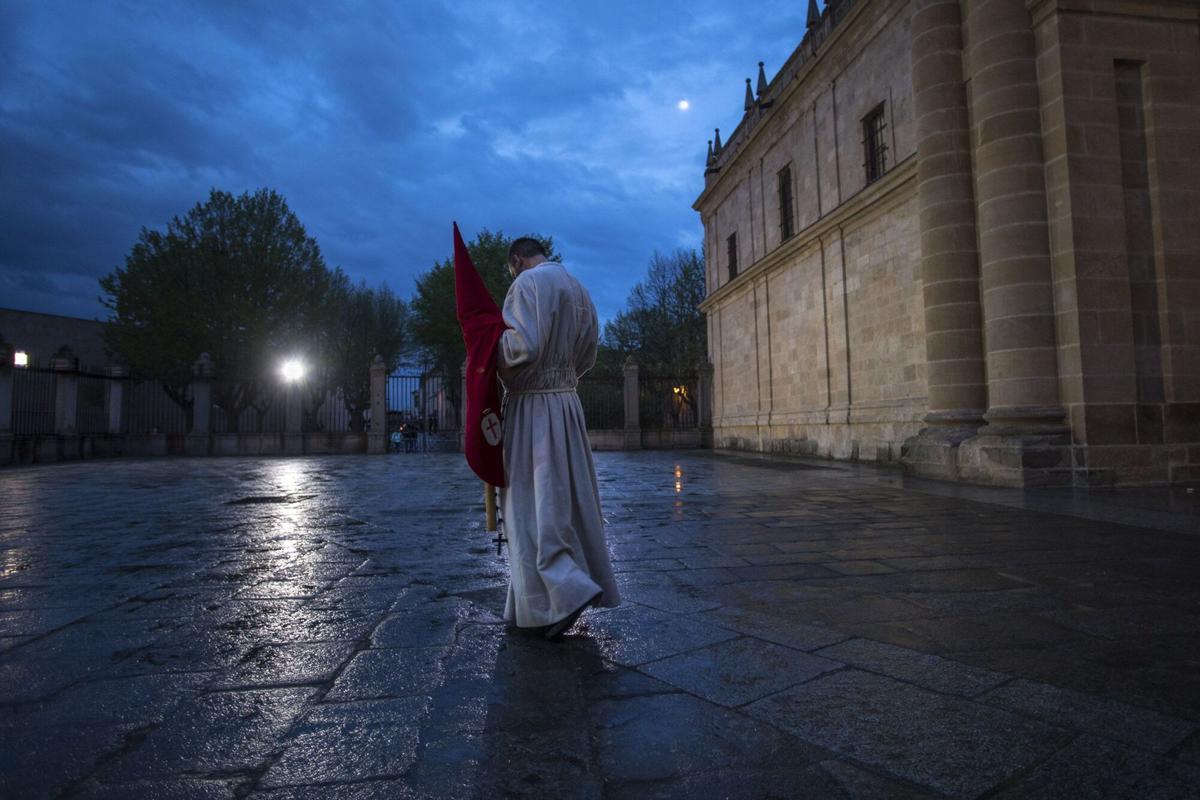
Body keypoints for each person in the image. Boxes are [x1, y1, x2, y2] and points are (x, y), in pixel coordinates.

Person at [497, 237, 620, 640]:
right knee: (567, 498)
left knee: (531, 502)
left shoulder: (527, 284)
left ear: (517, 260)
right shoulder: (579, 289)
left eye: (511, 269)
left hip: (532, 405)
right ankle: (539, 603)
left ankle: (564, 592)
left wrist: (486, 347)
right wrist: (562, 378)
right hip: (567, 403)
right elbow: (589, 356)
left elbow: (521, 347)